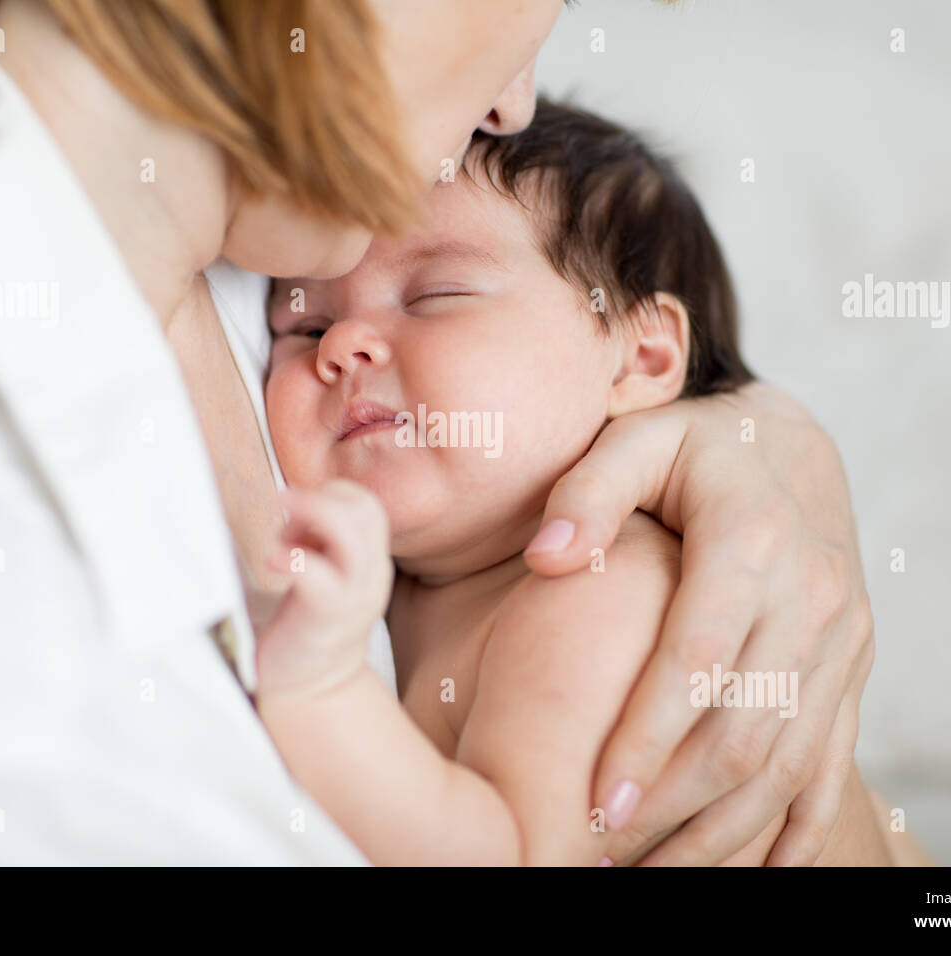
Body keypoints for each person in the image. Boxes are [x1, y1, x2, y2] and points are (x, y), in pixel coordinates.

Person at [0, 0, 873, 864]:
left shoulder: (251, 203)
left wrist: (751, 438)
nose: (511, 102)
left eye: (440, 294)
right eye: (301, 323)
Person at [253, 98, 894, 865]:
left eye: (435, 297)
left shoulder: (604, 589)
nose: (345, 346)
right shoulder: (400, 579)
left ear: (640, 358)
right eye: (305, 329)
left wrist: (319, 690)